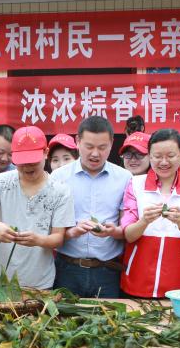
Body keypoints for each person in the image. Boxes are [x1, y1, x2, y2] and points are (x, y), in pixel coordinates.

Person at [0, 126, 75, 290]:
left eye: (33, 160)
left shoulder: (60, 190)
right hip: (1, 279)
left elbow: (58, 238)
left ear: (46, 152)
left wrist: (39, 240)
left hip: (40, 282)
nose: (28, 166)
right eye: (22, 161)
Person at [120, 129, 180, 298]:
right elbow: (128, 235)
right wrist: (144, 221)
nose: (164, 162)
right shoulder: (135, 184)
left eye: (171, 155)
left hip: (176, 280)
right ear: (150, 156)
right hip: (136, 278)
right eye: (157, 156)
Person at [51, 116, 131, 298]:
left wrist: (114, 231)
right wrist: (71, 232)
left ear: (111, 144)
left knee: (108, 322)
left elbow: (127, 226)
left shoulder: (125, 178)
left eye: (102, 148)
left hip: (107, 271)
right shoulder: (58, 177)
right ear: (78, 142)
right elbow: (46, 227)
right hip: (67, 269)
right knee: (64, 324)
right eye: (89, 147)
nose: (95, 154)